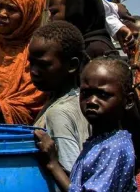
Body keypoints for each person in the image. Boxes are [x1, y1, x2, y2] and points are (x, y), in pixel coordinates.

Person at [35, 57, 137, 191]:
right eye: (85, 93)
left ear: (128, 100)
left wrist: (54, 165)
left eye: (103, 94)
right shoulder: (101, 141)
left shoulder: (114, 148)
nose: (92, 101)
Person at [29, 21, 90, 173]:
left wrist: (52, 165)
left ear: (72, 65)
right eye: (31, 63)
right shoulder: (81, 100)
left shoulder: (58, 113)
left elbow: (73, 179)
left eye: (43, 65)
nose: (34, 71)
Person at [48, 0, 116, 59]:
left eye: (54, 12)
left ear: (74, 12)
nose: (49, 18)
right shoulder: (79, 46)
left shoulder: (96, 51)